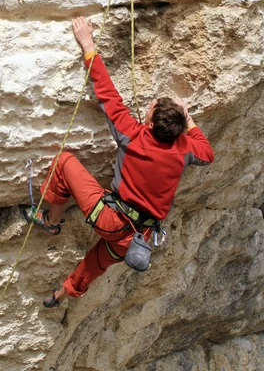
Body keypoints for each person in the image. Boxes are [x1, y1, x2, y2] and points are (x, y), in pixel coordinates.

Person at [23, 16, 215, 307]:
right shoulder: (185, 148)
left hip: (111, 217)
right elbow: (207, 152)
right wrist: (187, 120)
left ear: (149, 124)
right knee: (94, 265)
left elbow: (108, 94)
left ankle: (51, 220)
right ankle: (62, 294)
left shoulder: (133, 134)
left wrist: (87, 43)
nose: (149, 106)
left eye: (151, 109)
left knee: (63, 161)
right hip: (137, 237)